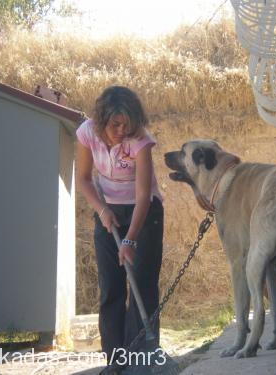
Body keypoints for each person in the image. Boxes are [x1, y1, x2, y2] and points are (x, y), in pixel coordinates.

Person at [75, 86, 163, 365]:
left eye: (127, 123)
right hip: (108, 211)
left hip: (144, 214)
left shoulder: (141, 140)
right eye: (115, 124)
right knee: (111, 286)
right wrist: (102, 210)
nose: (122, 130)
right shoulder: (87, 133)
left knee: (142, 284)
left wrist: (130, 239)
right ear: (102, 120)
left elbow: (143, 196)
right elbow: (84, 179)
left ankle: (141, 360)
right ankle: (116, 360)